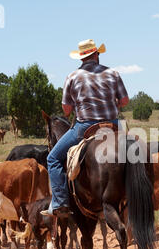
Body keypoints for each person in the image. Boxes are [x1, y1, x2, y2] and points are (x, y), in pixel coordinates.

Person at [41, 39, 129, 218]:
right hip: (113, 126)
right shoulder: (113, 73)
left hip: (86, 127)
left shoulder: (72, 76)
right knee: (136, 153)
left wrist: (78, 104)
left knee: (53, 159)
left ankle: (60, 203)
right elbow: (125, 100)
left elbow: (66, 110)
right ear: (96, 55)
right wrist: (114, 104)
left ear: (81, 58)